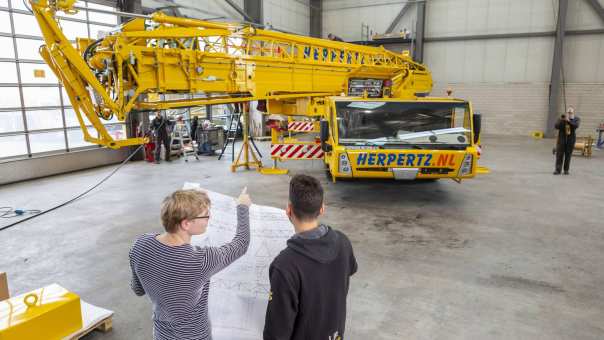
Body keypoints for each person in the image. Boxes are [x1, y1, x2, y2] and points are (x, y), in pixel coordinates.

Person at [129, 188, 252, 340]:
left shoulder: (140, 244)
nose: (209, 218)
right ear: (186, 224)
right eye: (205, 216)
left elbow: (138, 290)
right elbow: (241, 244)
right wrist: (243, 207)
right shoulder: (201, 259)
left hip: (161, 335)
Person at [264, 174, 357, 340]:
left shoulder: (285, 265)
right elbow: (347, 270)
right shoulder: (343, 242)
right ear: (322, 208)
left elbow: (277, 330)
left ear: (289, 210)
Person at [554, 107, 580, 175]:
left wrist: (569, 121)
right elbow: (556, 126)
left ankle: (566, 170)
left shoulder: (576, 119)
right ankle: (557, 170)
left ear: (573, 112)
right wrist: (562, 120)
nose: (569, 113)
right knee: (559, 155)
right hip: (561, 140)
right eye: (568, 112)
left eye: (571, 112)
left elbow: (576, 126)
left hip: (570, 140)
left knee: (568, 155)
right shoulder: (562, 119)